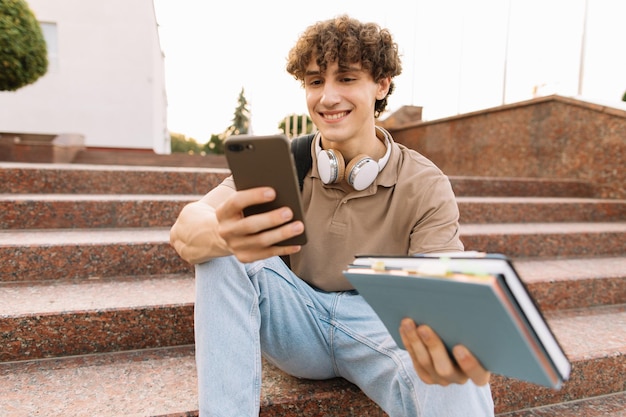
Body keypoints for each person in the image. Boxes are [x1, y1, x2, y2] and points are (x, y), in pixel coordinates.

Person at [170, 14, 494, 417]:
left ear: (381, 85)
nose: (327, 97)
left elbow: (438, 297)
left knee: (451, 359)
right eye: (315, 81)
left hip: (380, 328)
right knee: (221, 252)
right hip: (297, 321)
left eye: (346, 78)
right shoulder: (284, 162)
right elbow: (187, 228)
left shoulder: (425, 183)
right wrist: (220, 235)